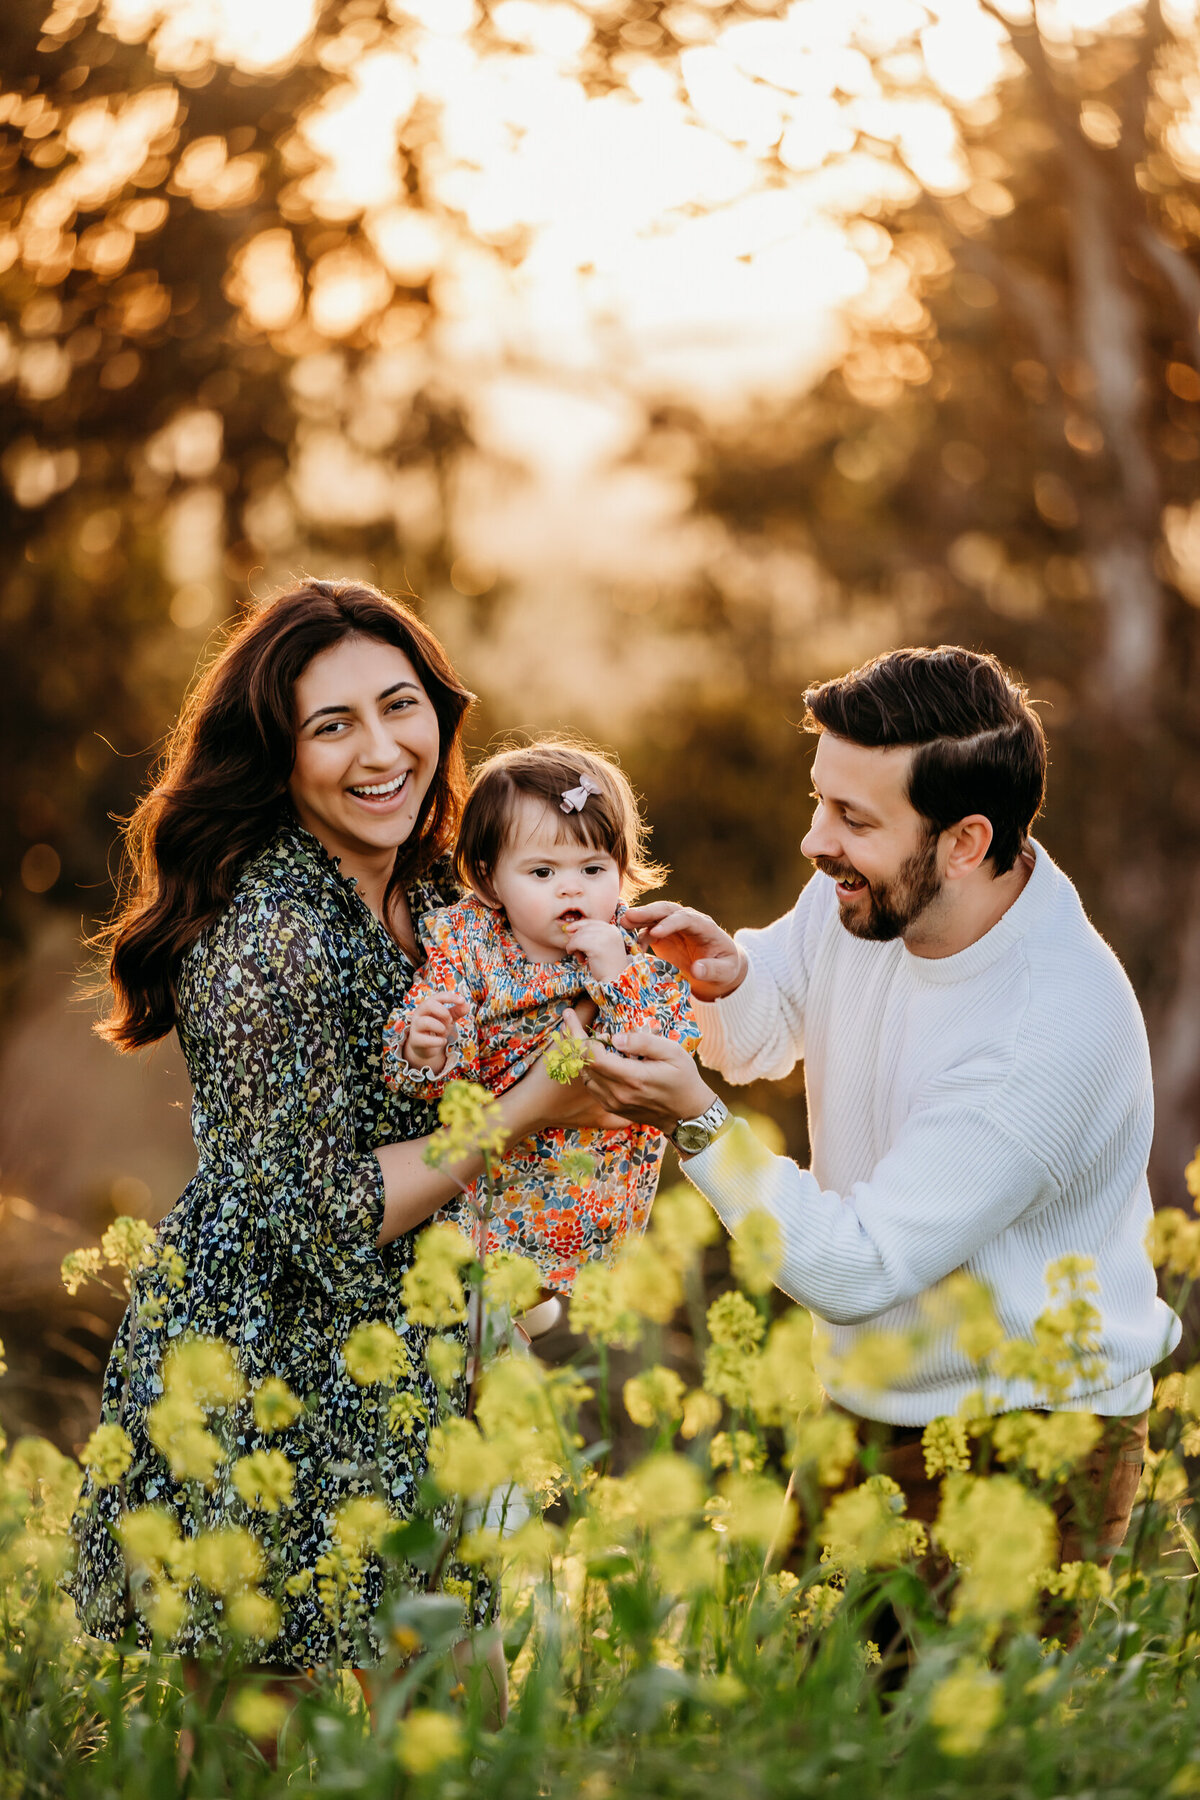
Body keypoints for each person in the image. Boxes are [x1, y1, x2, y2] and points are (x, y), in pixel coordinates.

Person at [68, 579, 606, 1690]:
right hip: (265, 1359)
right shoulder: (268, 931)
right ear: (278, 756)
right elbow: (325, 1213)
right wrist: (528, 1114)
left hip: (417, 1354)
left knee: (462, 1726)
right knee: (244, 1747)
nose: (381, 750)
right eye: (333, 724)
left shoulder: (440, 885)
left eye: (400, 706)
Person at [581, 644, 1181, 1571]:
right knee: (795, 1715)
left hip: (1026, 1442)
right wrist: (726, 979)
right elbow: (761, 1033)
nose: (816, 841)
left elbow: (857, 1268)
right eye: (820, 799)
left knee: (938, 1720)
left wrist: (694, 1124)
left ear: (966, 841)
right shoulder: (874, 890)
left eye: (852, 817)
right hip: (868, 1403)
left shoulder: (1043, 1030)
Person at [383, 741, 698, 1300]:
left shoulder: (631, 947)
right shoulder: (470, 947)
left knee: (576, 1360)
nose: (571, 887)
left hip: (594, 1215)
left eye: (594, 868)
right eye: (543, 871)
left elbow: (669, 1049)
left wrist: (617, 975)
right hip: (490, 1207)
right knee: (484, 1346)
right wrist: (427, 1047)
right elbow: (429, 1075)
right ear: (488, 881)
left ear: (621, 872)